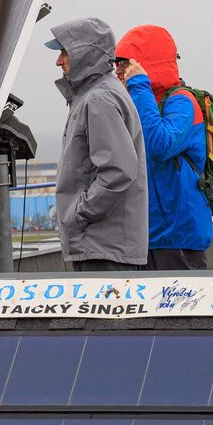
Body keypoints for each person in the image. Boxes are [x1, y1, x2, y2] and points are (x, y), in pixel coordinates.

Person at [45, 17, 149, 271]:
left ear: (83, 53)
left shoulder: (98, 99)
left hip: (103, 247)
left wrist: (78, 214)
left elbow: (118, 171)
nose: (59, 61)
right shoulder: (96, 94)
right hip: (104, 244)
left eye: (64, 52)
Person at [115, 24, 212, 270]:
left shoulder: (182, 101)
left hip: (180, 235)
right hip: (148, 235)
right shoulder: (142, 101)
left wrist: (139, 85)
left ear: (146, 63)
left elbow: (160, 145)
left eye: (125, 63)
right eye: (116, 63)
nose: (118, 70)